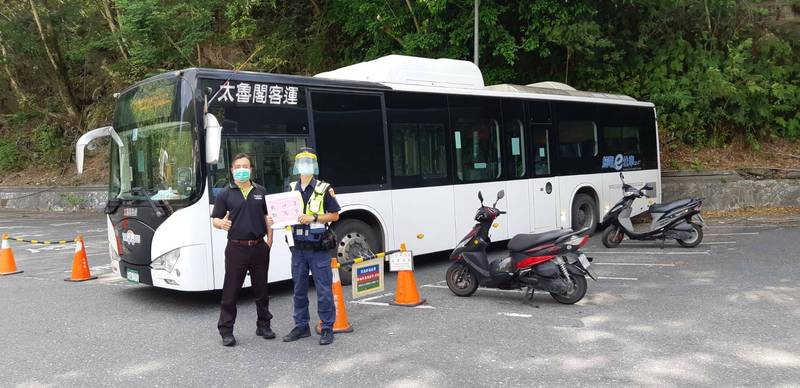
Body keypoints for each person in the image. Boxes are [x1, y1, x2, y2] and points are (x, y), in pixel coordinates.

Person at [210, 153, 275, 347]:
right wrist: (220, 223)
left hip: (258, 247)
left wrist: (269, 241)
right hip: (236, 248)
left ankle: (264, 325)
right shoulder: (225, 193)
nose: (241, 170)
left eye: (245, 166)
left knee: (261, 290)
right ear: (231, 170)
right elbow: (215, 219)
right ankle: (226, 330)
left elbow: (268, 217)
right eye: (237, 166)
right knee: (230, 292)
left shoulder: (261, 191)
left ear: (251, 169)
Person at [279, 147, 341, 346]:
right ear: (296, 165)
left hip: (318, 249)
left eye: (309, 161)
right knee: (298, 289)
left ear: (314, 165)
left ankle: (327, 327)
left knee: (323, 290)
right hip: (298, 249)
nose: (305, 165)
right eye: (301, 161)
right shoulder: (290, 189)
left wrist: (313, 217)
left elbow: (335, 215)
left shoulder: (324, 189)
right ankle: (301, 326)